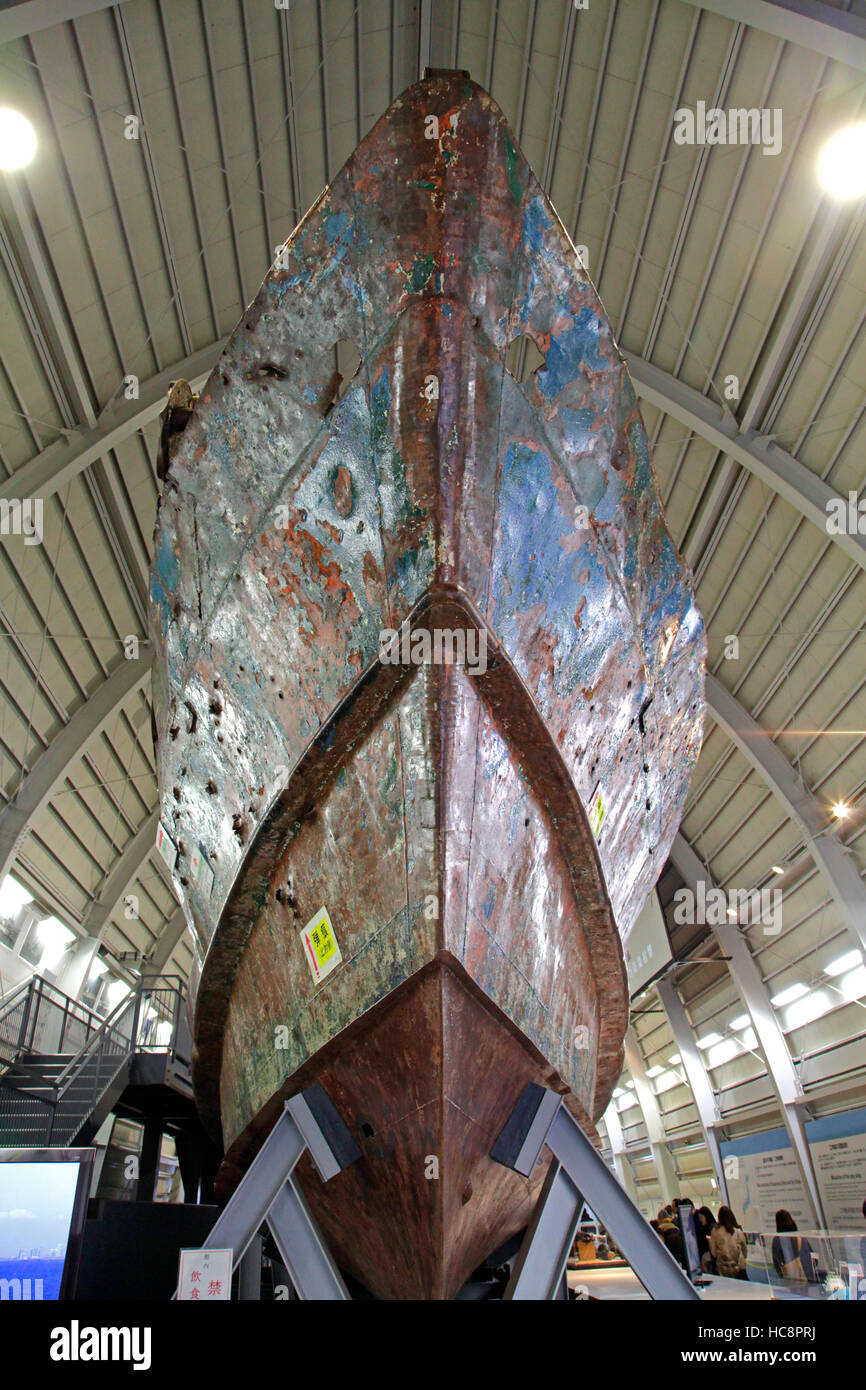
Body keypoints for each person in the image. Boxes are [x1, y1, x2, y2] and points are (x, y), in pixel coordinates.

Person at [771, 1210, 818, 1284]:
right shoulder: (801, 1237)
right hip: (808, 1278)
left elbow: (776, 1263)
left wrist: (783, 1274)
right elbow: (814, 1259)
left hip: (790, 1279)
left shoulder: (777, 1240)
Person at [709, 1205, 747, 1279]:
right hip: (739, 1268)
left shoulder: (715, 1231)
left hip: (723, 1270)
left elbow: (713, 1253)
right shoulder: (738, 1231)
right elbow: (745, 1252)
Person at [695, 1205, 717, 1274]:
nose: (701, 1220)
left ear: (706, 1216)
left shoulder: (711, 1229)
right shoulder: (706, 1228)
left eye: (702, 1217)